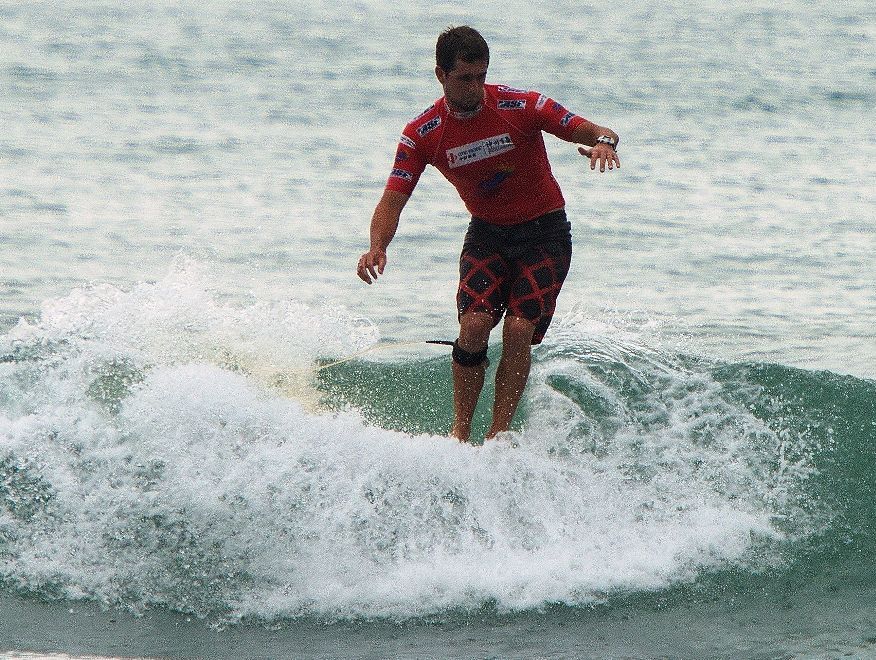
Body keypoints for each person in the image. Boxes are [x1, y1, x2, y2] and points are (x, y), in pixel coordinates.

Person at [356, 26, 620, 442]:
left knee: (518, 330)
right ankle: (460, 433)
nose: (476, 87)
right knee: (474, 326)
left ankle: (498, 435)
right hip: (487, 235)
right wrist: (377, 246)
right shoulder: (422, 133)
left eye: (481, 76)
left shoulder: (521, 105)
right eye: (465, 78)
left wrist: (604, 142)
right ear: (441, 75)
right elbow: (394, 196)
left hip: (545, 233)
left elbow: (588, 128)